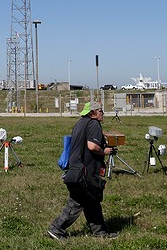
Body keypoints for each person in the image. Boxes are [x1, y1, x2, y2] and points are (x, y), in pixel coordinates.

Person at [48, 101, 118, 240]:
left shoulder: (81, 123)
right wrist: (105, 151)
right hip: (85, 171)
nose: (102, 113)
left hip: (76, 168)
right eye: (100, 110)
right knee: (77, 202)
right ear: (92, 113)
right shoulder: (94, 124)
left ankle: (100, 232)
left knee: (92, 199)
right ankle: (57, 228)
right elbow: (92, 146)